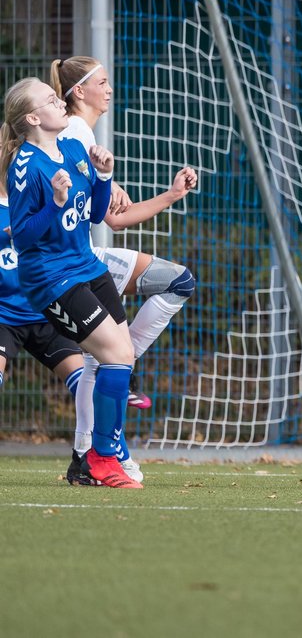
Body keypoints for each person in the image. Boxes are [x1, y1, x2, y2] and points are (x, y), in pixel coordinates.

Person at [51, 56, 198, 482]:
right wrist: (99, 178)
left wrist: (170, 196)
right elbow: (96, 211)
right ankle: (115, 386)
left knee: (106, 357)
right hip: (74, 261)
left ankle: (115, 377)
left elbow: (113, 217)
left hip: (86, 254)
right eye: (102, 81)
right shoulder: (75, 131)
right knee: (176, 283)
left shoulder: (84, 136)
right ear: (79, 91)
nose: (109, 88)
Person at [2, 77, 140, 487]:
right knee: (114, 354)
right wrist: (56, 203)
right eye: (49, 98)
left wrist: (101, 176)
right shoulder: (25, 165)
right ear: (32, 117)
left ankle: (93, 459)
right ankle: (102, 458)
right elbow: (23, 236)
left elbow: (96, 216)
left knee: (123, 355)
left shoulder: (75, 149)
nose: (59, 102)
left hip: (86, 267)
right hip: (50, 278)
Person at [0, 184, 99, 484]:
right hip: (3, 315)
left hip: (46, 311)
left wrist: (111, 185)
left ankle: (85, 462)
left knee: (87, 384)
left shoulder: (45, 197)